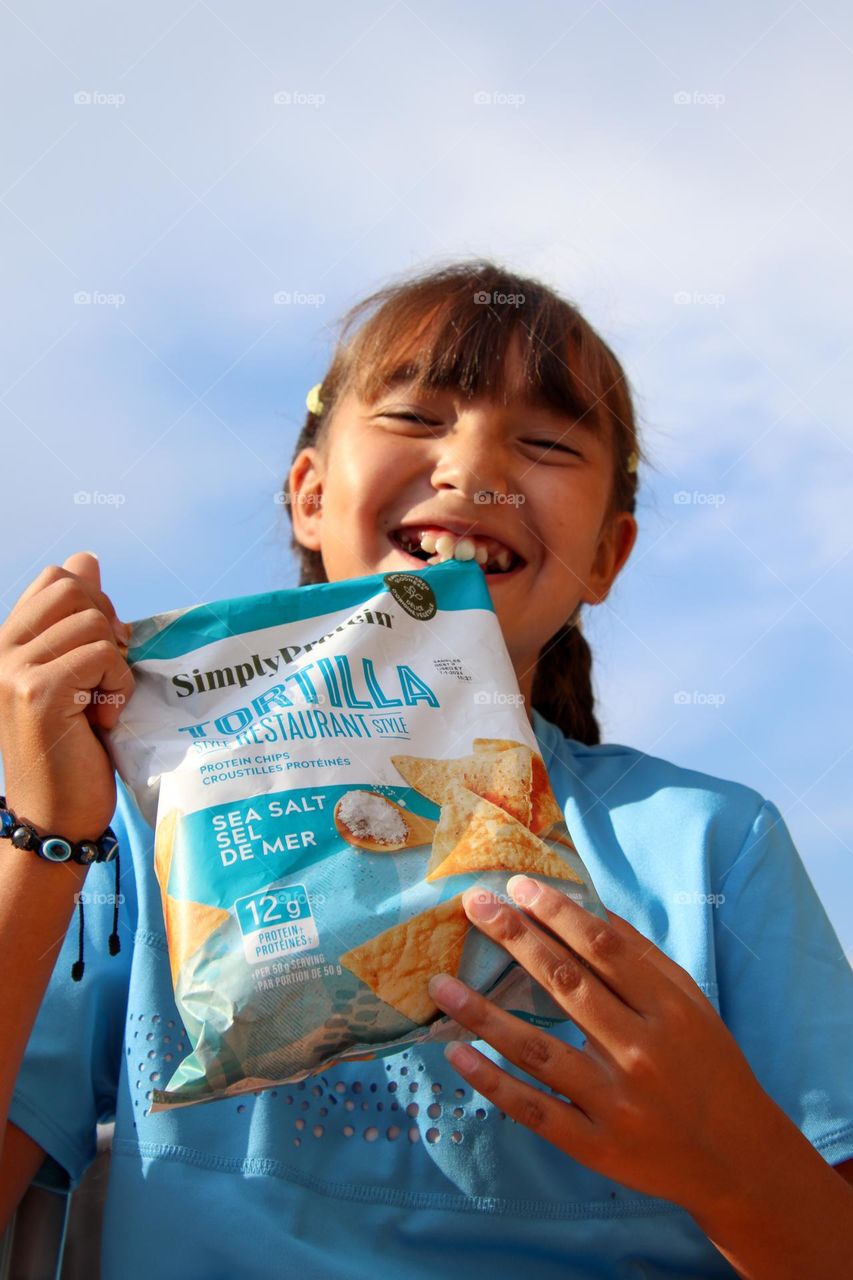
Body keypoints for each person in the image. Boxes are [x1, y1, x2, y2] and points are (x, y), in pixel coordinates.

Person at [0, 260, 851, 1279]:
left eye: (544, 443)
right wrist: (42, 834)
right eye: (414, 418)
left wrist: (727, 1159)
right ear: (311, 495)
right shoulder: (136, 823)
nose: (478, 472)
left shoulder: (710, 840)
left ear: (607, 556)